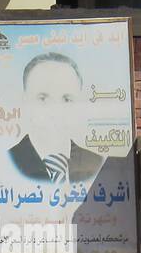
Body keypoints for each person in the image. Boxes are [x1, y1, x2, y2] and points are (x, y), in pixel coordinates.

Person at [8, 52, 104, 183]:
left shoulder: (97, 165)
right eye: (43, 98)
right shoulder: (7, 163)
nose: (55, 111)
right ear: (25, 102)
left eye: (66, 99)